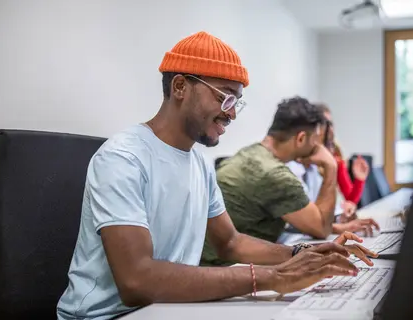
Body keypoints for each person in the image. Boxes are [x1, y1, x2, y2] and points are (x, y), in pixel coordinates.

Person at [56, 31, 375, 320]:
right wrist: (272, 277)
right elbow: (137, 280)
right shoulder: (123, 158)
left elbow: (230, 243)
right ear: (180, 86)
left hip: (167, 308)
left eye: (237, 101)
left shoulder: (199, 163)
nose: (232, 112)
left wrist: (301, 254)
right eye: (225, 96)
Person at [201, 97, 378, 266]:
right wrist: (331, 166)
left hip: (208, 261)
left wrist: (335, 228)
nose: (319, 147)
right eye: (316, 140)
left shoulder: (251, 154)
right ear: (301, 139)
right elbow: (321, 228)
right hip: (223, 268)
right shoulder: (275, 174)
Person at [286, 104, 378, 236]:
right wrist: (340, 226)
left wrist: (342, 216)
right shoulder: (292, 169)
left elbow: (324, 215)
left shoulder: (313, 169)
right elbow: (309, 223)